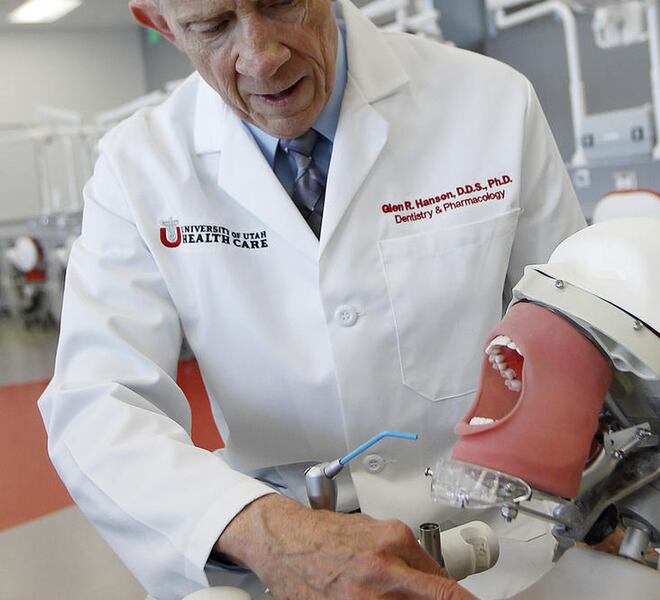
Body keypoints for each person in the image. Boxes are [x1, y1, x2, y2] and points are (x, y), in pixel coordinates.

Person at [38, 1, 586, 599]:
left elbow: (585, 333)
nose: (262, 57)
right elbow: (98, 403)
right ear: (159, 23)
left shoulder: (491, 104)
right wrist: (269, 532)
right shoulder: (137, 168)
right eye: (213, 26)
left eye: (281, 2)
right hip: (274, 561)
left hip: (499, 548)